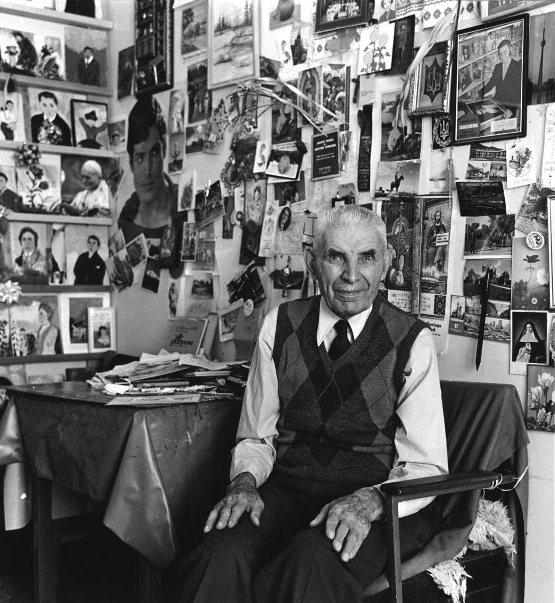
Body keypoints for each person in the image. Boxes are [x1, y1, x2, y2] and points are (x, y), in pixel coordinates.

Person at [174, 205, 447, 602]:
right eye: (336, 257)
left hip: (370, 500)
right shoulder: (279, 325)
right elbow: (256, 436)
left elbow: (426, 466)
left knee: (310, 564)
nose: (351, 275)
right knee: (218, 553)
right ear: (312, 262)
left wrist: (370, 501)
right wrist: (244, 482)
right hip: (285, 491)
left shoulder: (412, 340)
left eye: (366, 257)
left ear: (386, 263)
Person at [118, 97, 186, 276]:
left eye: (154, 152)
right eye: (140, 158)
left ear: (164, 150)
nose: (148, 170)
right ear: (131, 164)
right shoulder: (125, 222)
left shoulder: (184, 208)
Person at [482, 39, 522, 119]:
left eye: (505, 52)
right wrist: (479, 94)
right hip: (498, 103)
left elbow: (518, 92)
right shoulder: (497, 67)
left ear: (510, 50)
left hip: (510, 106)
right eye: (500, 54)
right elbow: (491, 83)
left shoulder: (518, 67)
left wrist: (511, 110)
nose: (502, 56)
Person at [424, 209, 447, 277]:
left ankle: (436, 265)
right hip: (433, 244)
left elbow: (445, 237)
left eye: (438, 216)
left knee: (440, 250)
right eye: (436, 216)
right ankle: (430, 268)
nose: (437, 217)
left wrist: (443, 235)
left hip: (440, 245)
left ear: (440, 217)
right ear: (434, 217)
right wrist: (433, 237)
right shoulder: (432, 227)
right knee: (429, 251)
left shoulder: (442, 227)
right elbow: (428, 238)